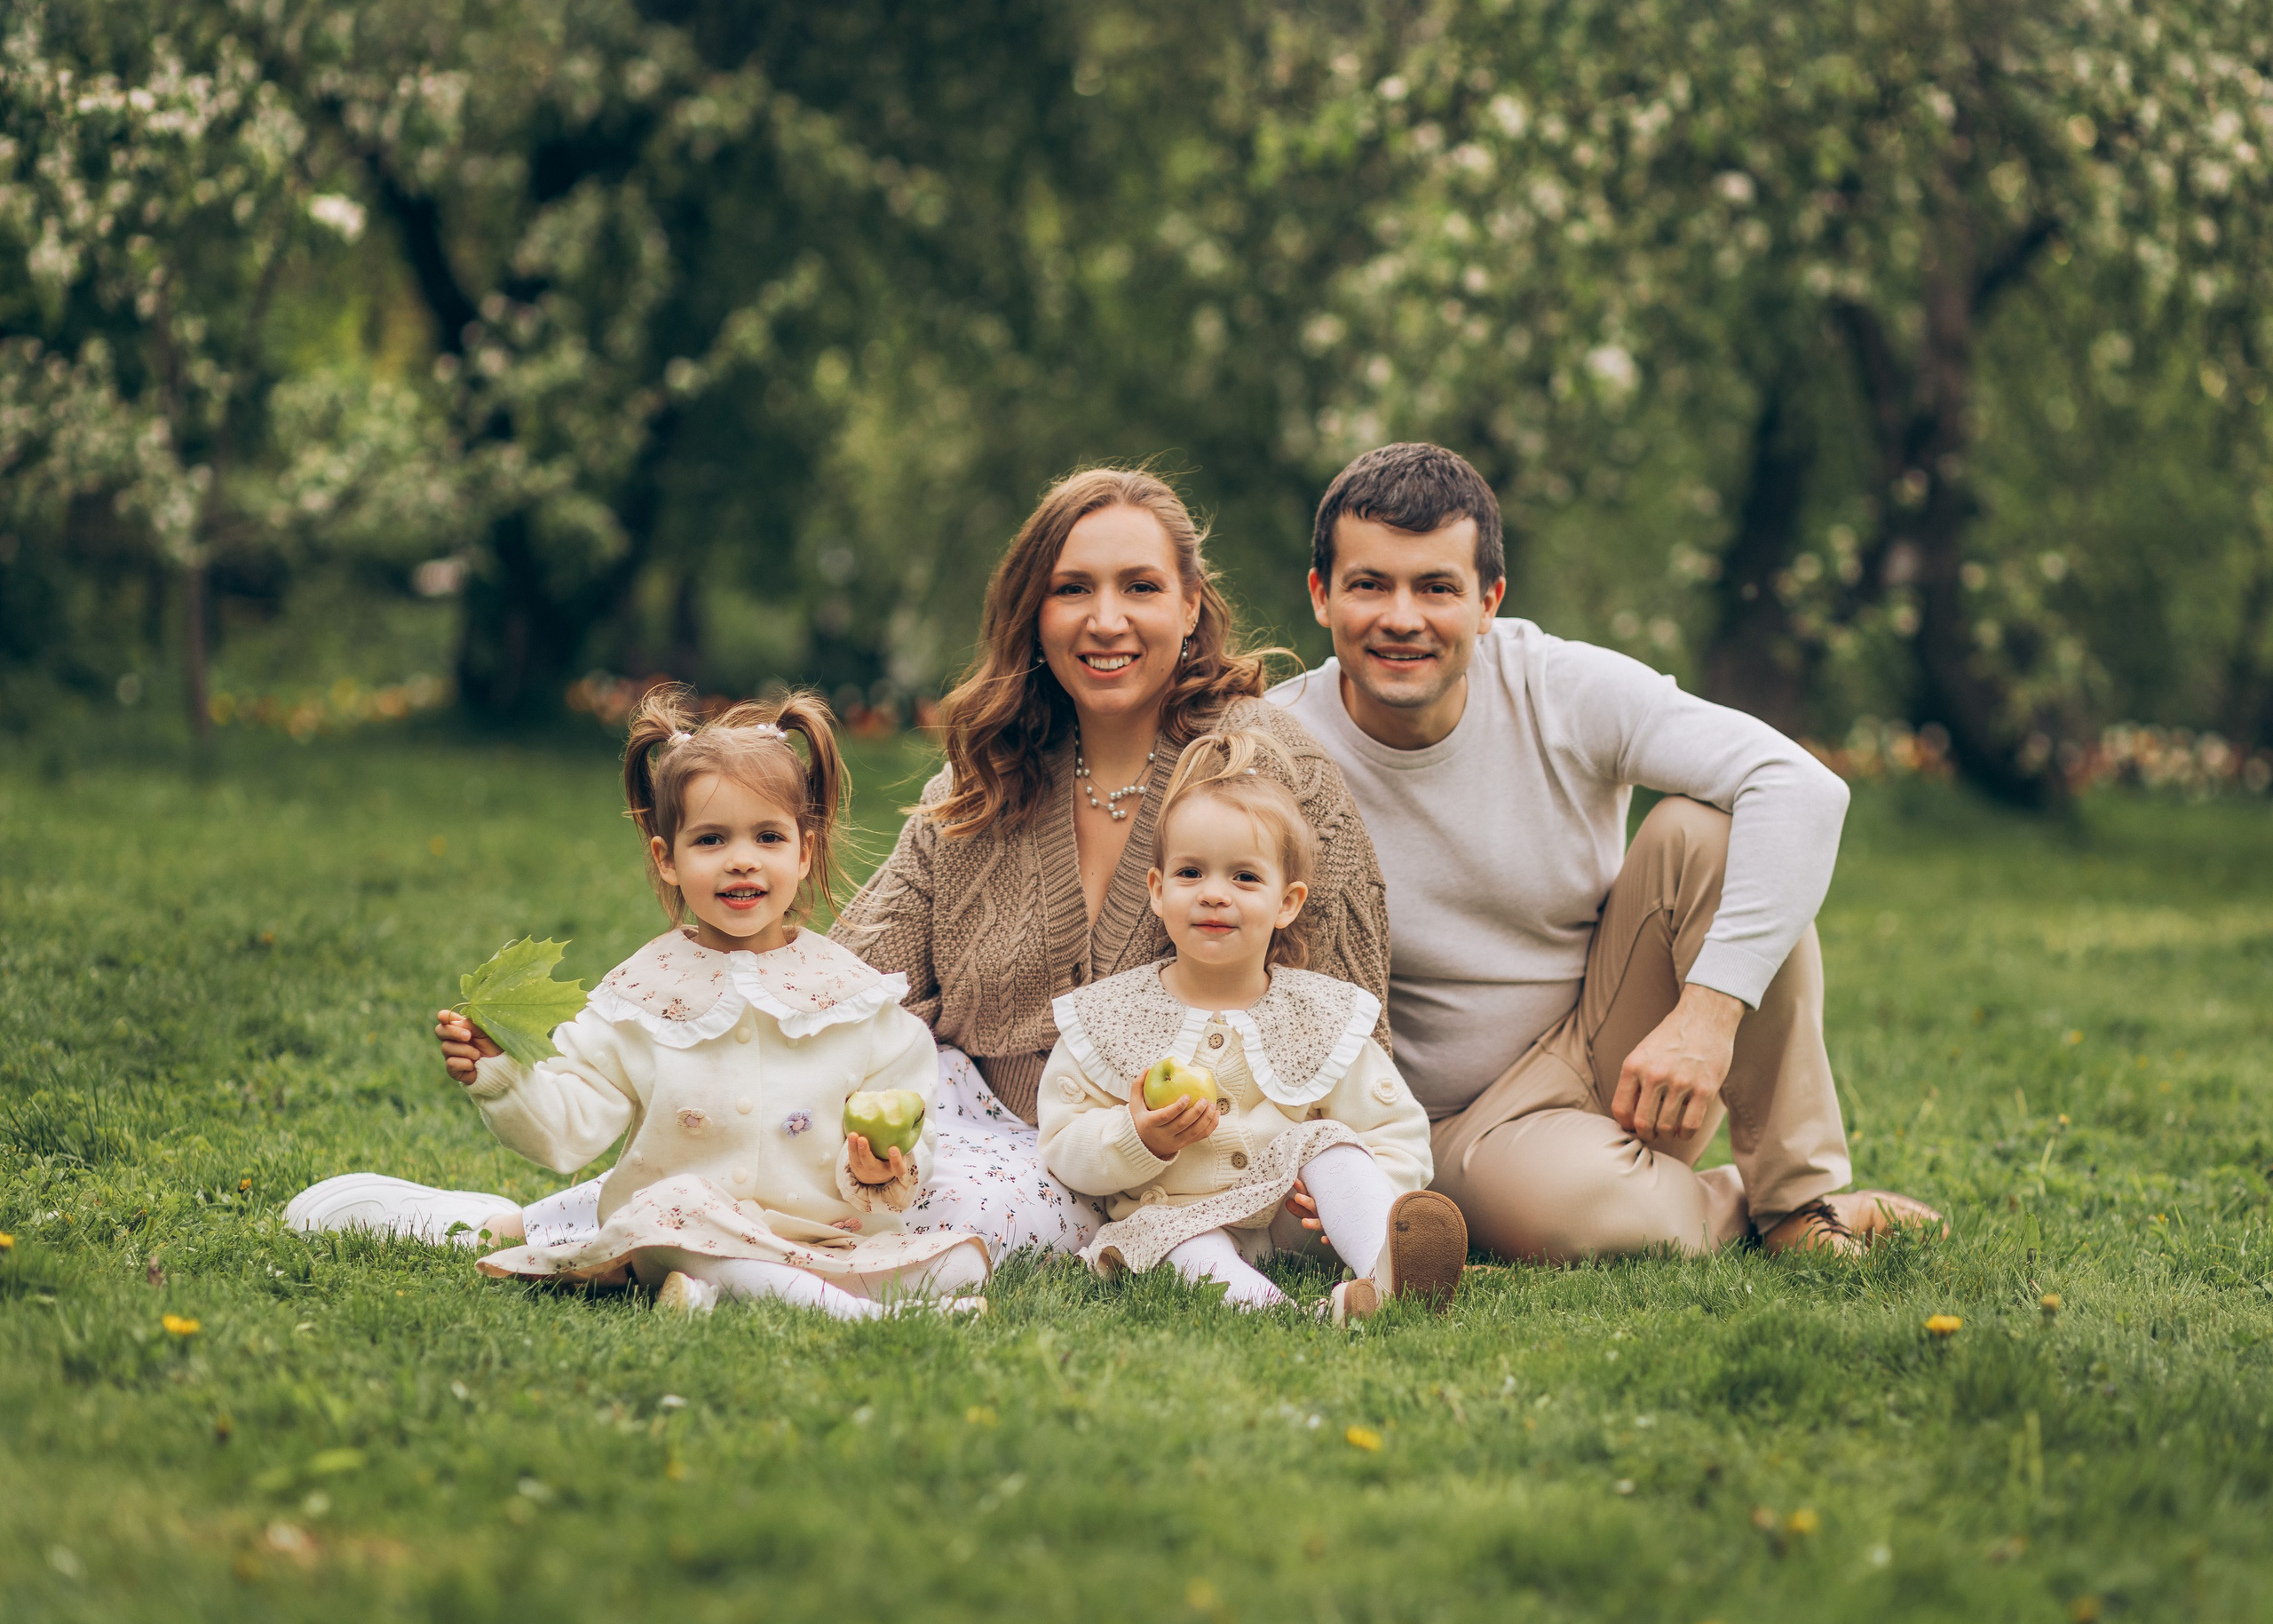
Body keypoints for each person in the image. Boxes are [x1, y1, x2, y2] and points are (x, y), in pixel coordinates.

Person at [288, 466, 1391, 1263]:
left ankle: (596, 1233)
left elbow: (1342, 1014)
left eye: (1140, 587)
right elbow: (834, 980)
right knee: (818, 1130)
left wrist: (1320, 1175)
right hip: (974, 1124)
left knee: (934, 1200)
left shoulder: (1269, 767)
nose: (1106, 619)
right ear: (1032, 612)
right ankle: (527, 1221)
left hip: (1177, 1164)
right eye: (1072, 588)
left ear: (1190, 605)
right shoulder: (985, 782)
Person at [1270, 442, 1941, 1260]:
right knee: (1601, 1222)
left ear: (1489, 602)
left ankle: (1799, 1204)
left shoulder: (1558, 687)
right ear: (1321, 595)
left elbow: (1801, 788)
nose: (1402, 617)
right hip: (1440, 1124)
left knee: (1711, 838)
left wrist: (1706, 1015)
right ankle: (1737, 1203)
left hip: (1613, 1048)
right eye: (1370, 584)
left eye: (1437, 587)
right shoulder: (1281, 745)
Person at [434, 688, 989, 1318]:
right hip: (683, 1233)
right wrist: (501, 1076)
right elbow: (566, 1128)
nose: (742, 860)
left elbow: (905, 1131)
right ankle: (860, 1315)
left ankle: (725, 1295)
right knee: (672, 1216)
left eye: (769, 836)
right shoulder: (640, 997)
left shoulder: (852, 998)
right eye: (711, 840)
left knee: (962, 1256)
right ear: (666, 859)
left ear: (803, 852)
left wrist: (877, 1171)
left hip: (819, 1238)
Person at [1038, 730, 1461, 1323]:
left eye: (1243, 877)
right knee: (1181, 1243)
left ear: (1287, 902)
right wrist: (1141, 1135)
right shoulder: (1114, 1014)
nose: (1214, 894)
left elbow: (1393, 1125)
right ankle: (1293, 1315)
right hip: (1174, 1217)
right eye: (1190, 873)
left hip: (1288, 1221)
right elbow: (1062, 1141)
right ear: (1158, 891)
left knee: (1329, 1142)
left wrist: (1370, 1190)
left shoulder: (1318, 1013)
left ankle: (1386, 1263)